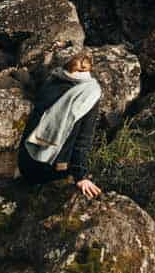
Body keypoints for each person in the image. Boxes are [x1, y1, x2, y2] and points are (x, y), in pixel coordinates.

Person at [17, 51, 104, 199]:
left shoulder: (51, 80)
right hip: (53, 170)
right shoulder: (90, 92)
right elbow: (83, 139)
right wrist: (81, 176)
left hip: (26, 164)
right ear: (89, 70)